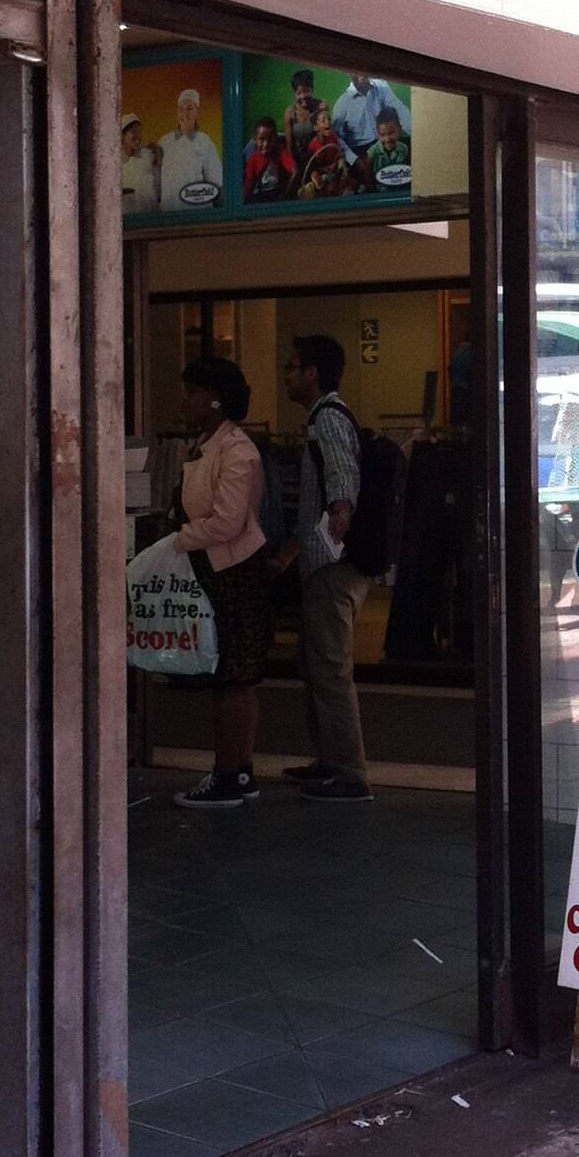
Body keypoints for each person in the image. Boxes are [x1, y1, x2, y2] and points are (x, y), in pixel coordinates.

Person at [271, 334, 371, 803]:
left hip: (333, 566)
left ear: (312, 372)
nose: (286, 376)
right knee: (315, 665)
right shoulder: (326, 418)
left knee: (329, 668)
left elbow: (341, 480)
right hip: (324, 563)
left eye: (292, 367)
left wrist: (336, 527)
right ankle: (330, 762)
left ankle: (350, 774)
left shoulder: (328, 418)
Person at [170, 357, 272, 810]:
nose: (184, 399)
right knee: (232, 674)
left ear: (214, 398)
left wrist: (178, 539)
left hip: (232, 571)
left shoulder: (238, 450)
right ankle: (238, 769)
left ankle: (229, 772)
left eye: (192, 391)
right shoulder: (208, 445)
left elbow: (228, 520)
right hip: (216, 567)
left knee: (232, 675)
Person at [155, 90, 224, 209]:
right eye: (181, 109)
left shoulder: (205, 142)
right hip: (168, 218)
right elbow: (156, 183)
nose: (185, 113)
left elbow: (217, 183)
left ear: (197, 112)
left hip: (197, 217)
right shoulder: (164, 142)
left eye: (190, 108)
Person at [329, 68, 404, 173]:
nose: (360, 73)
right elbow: (337, 138)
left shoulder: (381, 88)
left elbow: (399, 111)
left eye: (362, 67)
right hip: (359, 152)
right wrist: (355, 160)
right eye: (354, 69)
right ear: (347, 73)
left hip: (383, 144)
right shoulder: (342, 104)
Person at [293, 103, 351, 200]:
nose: (327, 122)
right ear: (316, 127)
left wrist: (341, 166)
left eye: (329, 119)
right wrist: (319, 177)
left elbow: (338, 154)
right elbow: (312, 168)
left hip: (334, 172)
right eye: (323, 121)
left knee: (350, 184)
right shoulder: (313, 146)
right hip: (321, 175)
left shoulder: (333, 137)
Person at [241, 115, 296, 205]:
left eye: (270, 138)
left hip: (279, 194)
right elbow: (248, 187)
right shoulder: (253, 160)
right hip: (262, 196)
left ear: (276, 137)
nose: (266, 144)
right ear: (255, 139)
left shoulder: (280, 151)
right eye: (261, 139)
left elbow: (294, 171)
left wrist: (286, 195)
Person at [364, 107, 412, 189]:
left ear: (399, 129)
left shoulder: (404, 149)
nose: (387, 139)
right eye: (382, 135)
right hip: (379, 191)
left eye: (391, 133)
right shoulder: (372, 153)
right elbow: (368, 178)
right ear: (377, 134)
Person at [120, 113, 160, 211]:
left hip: (150, 217)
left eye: (139, 132)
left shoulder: (148, 155)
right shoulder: (114, 162)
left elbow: (158, 185)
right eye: (133, 132)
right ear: (122, 135)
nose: (138, 136)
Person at [282, 69, 322, 167]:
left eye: (306, 91)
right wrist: (295, 167)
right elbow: (290, 146)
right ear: (295, 93)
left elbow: (326, 136)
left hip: (319, 158)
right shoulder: (290, 113)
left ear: (312, 89)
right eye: (299, 93)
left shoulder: (320, 107)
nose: (303, 96)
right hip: (299, 161)